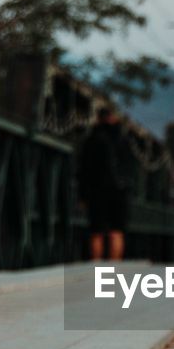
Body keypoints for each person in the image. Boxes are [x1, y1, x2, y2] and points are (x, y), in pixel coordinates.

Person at [76, 107, 128, 261]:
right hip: (119, 191)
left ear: (98, 118)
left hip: (96, 190)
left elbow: (84, 169)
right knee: (116, 231)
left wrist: (82, 195)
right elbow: (129, 168)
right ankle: (114, 268)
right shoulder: (123, 139)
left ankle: (96, 266)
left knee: (96, 231)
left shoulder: (91, 139)